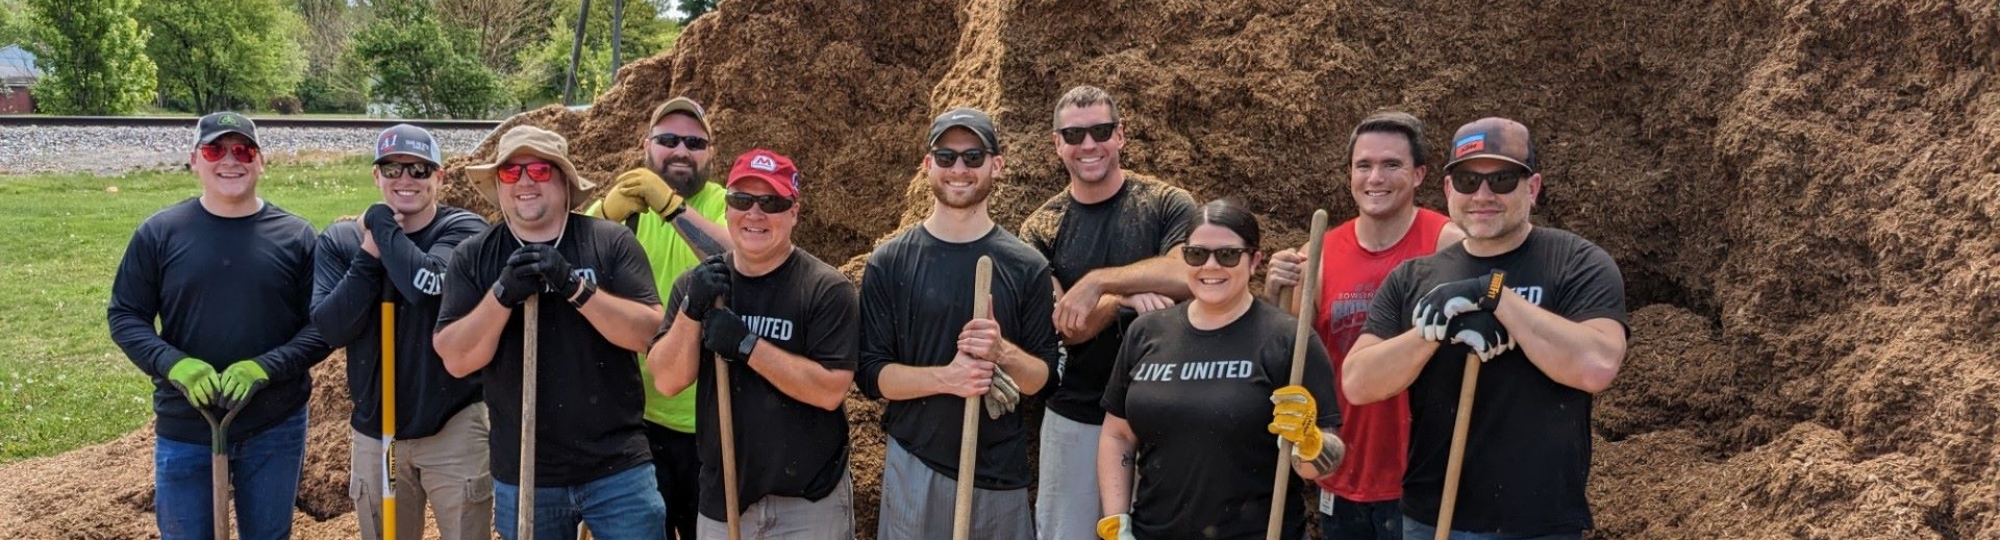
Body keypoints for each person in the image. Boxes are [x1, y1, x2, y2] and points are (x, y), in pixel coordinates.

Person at [1342, 118, 1629, 540]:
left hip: (1538, 523)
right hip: (1432, 518)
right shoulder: (1412, 278)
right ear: (1447, 190)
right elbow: (1358, 382)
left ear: (1531, 188)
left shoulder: (1576, 263)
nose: (1482, 195)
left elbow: (1597, 366)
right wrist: (1436, 327)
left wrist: (1494, 295)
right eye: (1467, 179)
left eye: (1503, 179)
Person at [433, 125, 667, 540]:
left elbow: (648, 334)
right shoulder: (474, 256)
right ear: (499, 185)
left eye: (540, 170)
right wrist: (502, 295)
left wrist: (576, 288)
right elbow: (457, 358)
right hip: (525, 473)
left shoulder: (609, 242)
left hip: (618, 468)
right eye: (511, 173)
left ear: (564, 180)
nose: (525, 182)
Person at [108, 111, 332, 539]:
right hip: (187, 423)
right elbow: (125, 314)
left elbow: (320, 327)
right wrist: (171, 364)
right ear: (195, 159)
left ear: (260, 161)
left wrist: (266, 367)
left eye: (243, 149)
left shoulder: (296, 236)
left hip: (274, 421)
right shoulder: (160, 233)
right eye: (215, 149)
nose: (231, 160)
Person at [856, 108, 1063, 540]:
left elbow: (1041, 379)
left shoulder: (1026, 266)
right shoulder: (890, 262)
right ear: (928, 164)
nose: (959, 169)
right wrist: (949, 378)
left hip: (998, 474)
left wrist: (1002, 351)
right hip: (915, 464)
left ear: (997, 165)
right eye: (946, 156)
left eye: (973, 156)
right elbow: (874, 376)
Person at [1262, 111, 1464, 540]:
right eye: (1364, 165)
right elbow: (1294, 352)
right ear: (1350, 174)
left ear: (1419, 174)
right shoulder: (1319, 251)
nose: (1376, 177)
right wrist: (1274, 294)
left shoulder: (1446, 244)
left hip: (1425, 471)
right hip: (1342, 461)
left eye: (1392, 165)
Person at [1096, 199, 1345, 540]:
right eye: (1197, 254)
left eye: (1227, 255)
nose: (1210, 266)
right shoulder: (1146, 333)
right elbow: (1118, 435)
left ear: (1254, 260)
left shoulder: (1288, 340)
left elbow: (1321, 468)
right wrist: (1116, 520)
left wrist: (1310, 441)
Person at [648, 149, 859, 540]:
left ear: (794, 211)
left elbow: (830, 390)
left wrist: (747, 346)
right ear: (726, 208)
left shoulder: (825, 289)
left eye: (772, 202)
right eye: (742, 200)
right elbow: (667, 380)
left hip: (808, 501)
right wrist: (692, 310)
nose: (755, 214)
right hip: (724, 499)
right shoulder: (697, 286)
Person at [1018, 85, 1199, 540]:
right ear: (1057, 144)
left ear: (1121, 135)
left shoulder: (1167, 203)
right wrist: (1126, 300)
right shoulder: (1041, 226)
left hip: (1164, 407)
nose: (1089, 145)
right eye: (1074, 135)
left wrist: (1101, 282)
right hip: (1075, 413)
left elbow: (1186, 275)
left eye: (1100, 131)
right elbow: (1066, 325)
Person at [312, 124, 493, 540]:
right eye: (392, 169)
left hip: (453, 425)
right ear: (376, 176)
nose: (405, 179)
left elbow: (424, 285)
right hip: (377, 433)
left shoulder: (464, 232)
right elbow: (331, 328)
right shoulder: (340, 241)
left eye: (419, 169)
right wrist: (369, 255)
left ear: (440, 177)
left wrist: (382, 226)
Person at [581, 96, 735, 539]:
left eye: (694, 141)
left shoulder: (726, 202)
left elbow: (738, 260)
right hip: (633, 421)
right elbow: (570, 260)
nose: (681, 150)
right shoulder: (626, 210)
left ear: (710, 152)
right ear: (646, 146)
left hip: (709, 416)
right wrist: (605, 216)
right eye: (668, 140)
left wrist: (671, 208)